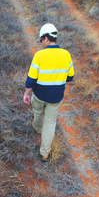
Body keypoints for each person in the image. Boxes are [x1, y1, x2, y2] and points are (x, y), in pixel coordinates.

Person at [23, 23, 75, 162]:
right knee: (50, 122)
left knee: (38, 113)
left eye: (41, 40)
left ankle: (38, 129)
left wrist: (27, 93)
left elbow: (31, 79)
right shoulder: (66, 55)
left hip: (40, 95)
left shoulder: (39, 55)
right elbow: (70, 77)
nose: (41, 43)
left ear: (46, 38)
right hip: (56, 96)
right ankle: (45, 153)